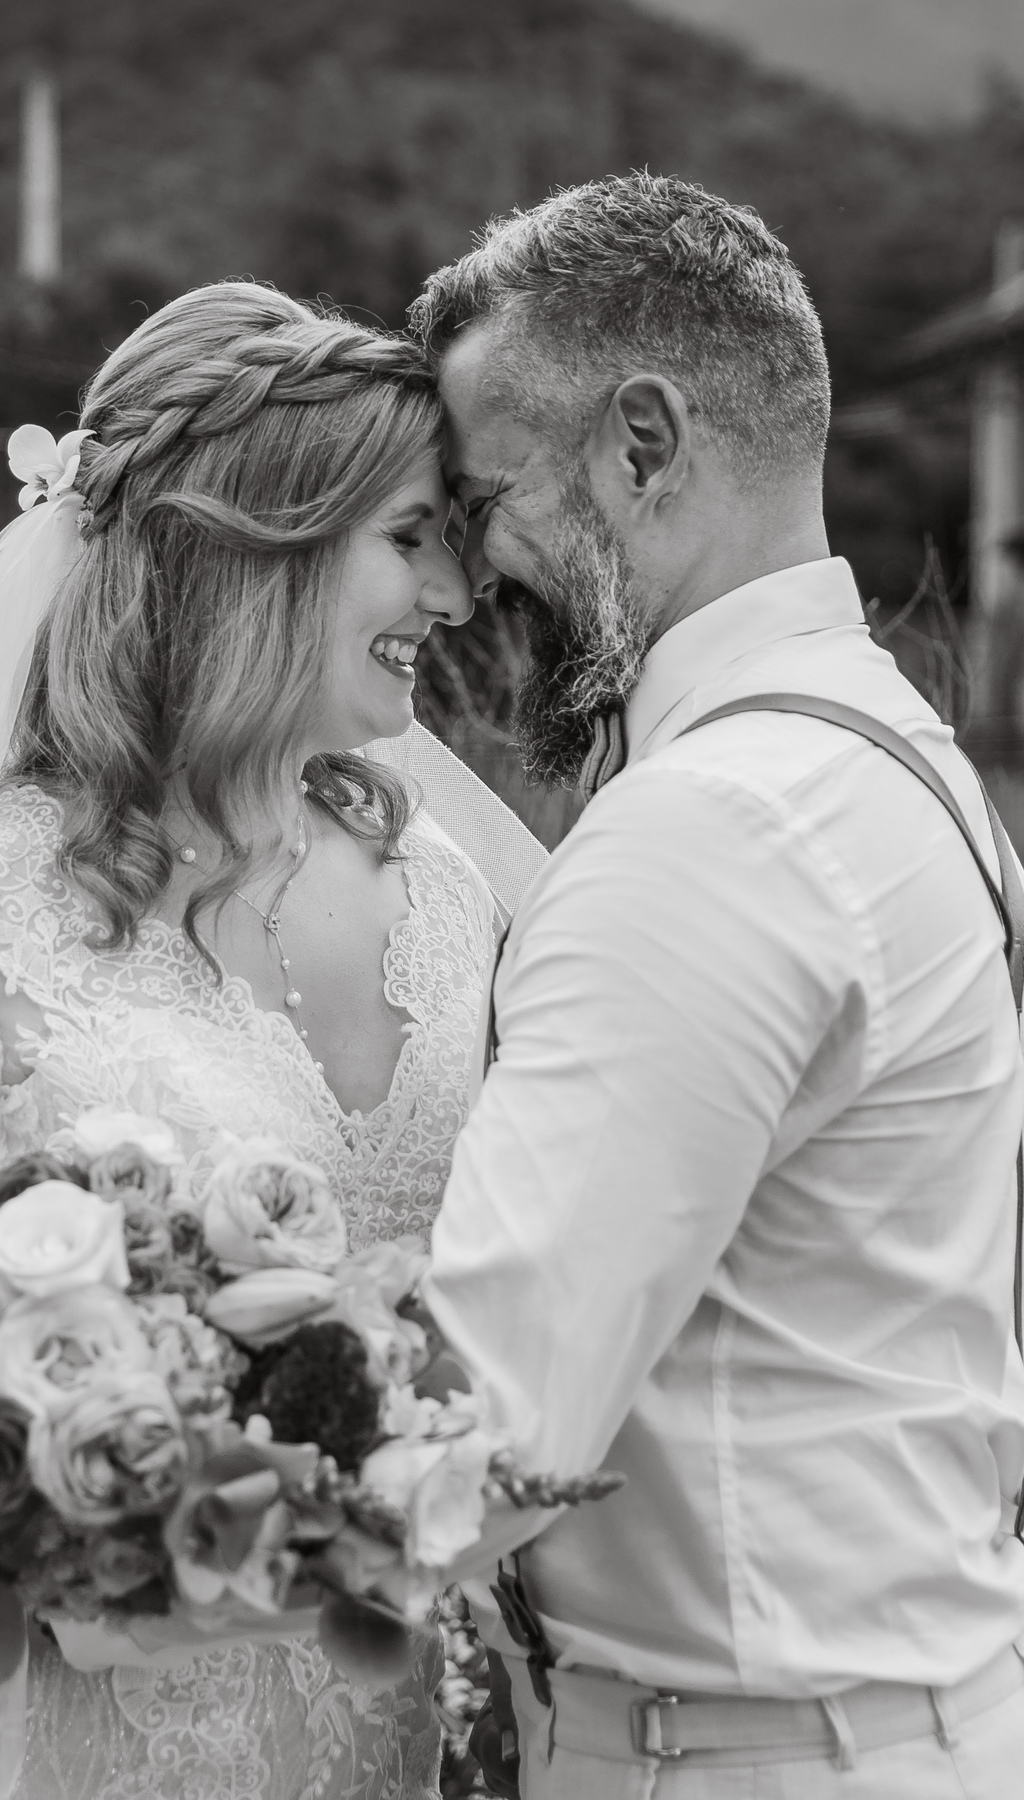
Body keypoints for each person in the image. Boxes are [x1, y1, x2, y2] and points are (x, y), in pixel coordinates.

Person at [0, 281, 543, 1799]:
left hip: (384, 1735)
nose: (456, 601)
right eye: (409, 540)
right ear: (251, 541)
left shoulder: (447, 894)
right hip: (46, 1740)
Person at [418, 173, 1024, 1798]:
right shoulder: (895, 750)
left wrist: (100, 1518)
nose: (469, 587)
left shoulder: (712, 829)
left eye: (482, 507)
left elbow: (484, 1438)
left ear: (641, 444)